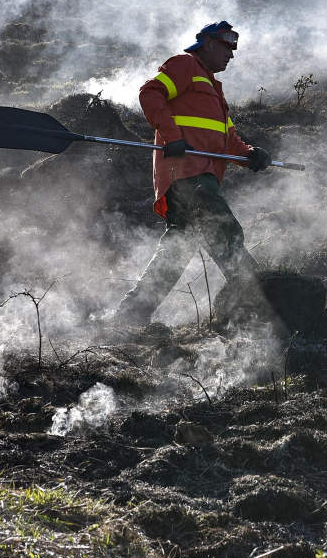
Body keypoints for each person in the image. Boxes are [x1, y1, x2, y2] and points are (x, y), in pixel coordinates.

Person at [108, 21, 274, 329]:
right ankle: (265, 305)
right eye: (227, 48)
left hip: (198, 175)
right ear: (208, 44)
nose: (231, 56)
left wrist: (250, 154)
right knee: (225, 230)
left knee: (175, 254)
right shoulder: (185, 65)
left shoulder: (214, 91)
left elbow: (228, 139)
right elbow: (150, 93)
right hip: (187, 174)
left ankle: (129, 318)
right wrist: (171, 136)